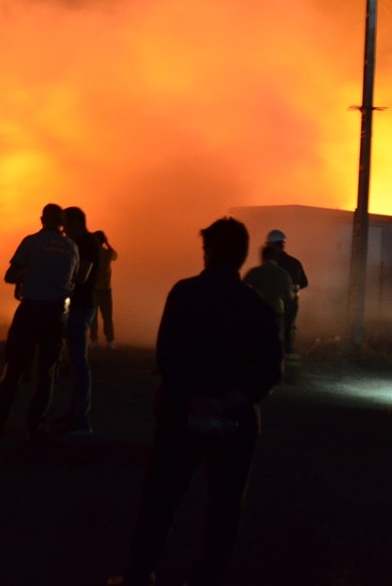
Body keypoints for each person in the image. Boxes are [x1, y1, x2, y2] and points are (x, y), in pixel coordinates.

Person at [112, 217, 283, 586]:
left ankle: (139, 573)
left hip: (180, 414)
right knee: (225, 508)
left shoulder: (185, 293)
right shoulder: (258, 307)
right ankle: (208, 577)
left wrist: (195, 398)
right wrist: (231, 401)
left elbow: (167, 356)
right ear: (241, 256)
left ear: (207, 253)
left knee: (161, 499)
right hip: (237, 422)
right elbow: (270, 371)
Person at [0, 204, 79, 437]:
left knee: (14, 368)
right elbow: (73, 279)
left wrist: (26, 277)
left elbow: (10, 275)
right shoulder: (72, 247)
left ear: (42, 219)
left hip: (31, 310)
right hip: (56, 314)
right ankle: (36, 425)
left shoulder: (31, 242)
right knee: (48, 372)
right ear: (62, 222)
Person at [58, 206, 98, 434]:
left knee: (80, 364)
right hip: (79, 306)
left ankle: (81, 419)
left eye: (66, 225)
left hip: (80, 306)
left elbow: (81, 277)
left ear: (74, 223)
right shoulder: (84, 243)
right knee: (76, 363)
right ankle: (75, 413)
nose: (63, 230)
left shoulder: (87, 245)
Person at [265, 229, 308, 354]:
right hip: (292, 305)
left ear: (271, 246)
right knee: (287, 332)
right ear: (282, 245)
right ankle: (287, 361)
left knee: (272, 333)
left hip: (274, 305)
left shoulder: (272, 264)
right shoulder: (295, 263)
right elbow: (304, 283)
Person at [244, 244, 295, 333]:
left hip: (258, 312)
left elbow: (241, 290)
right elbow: (289, 297)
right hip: (277, 312)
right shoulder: (283, 274)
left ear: (263, 257)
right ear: (275, 257)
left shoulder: (255, 272)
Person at [92, 230, 118, 349]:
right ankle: (110, 340)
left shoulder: (91, 254)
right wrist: (107, 242)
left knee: (93, 316)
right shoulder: (107, 253)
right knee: (107, 316)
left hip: (95, 289)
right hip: (105, 289)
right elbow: (115, 255)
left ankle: (94, 339)